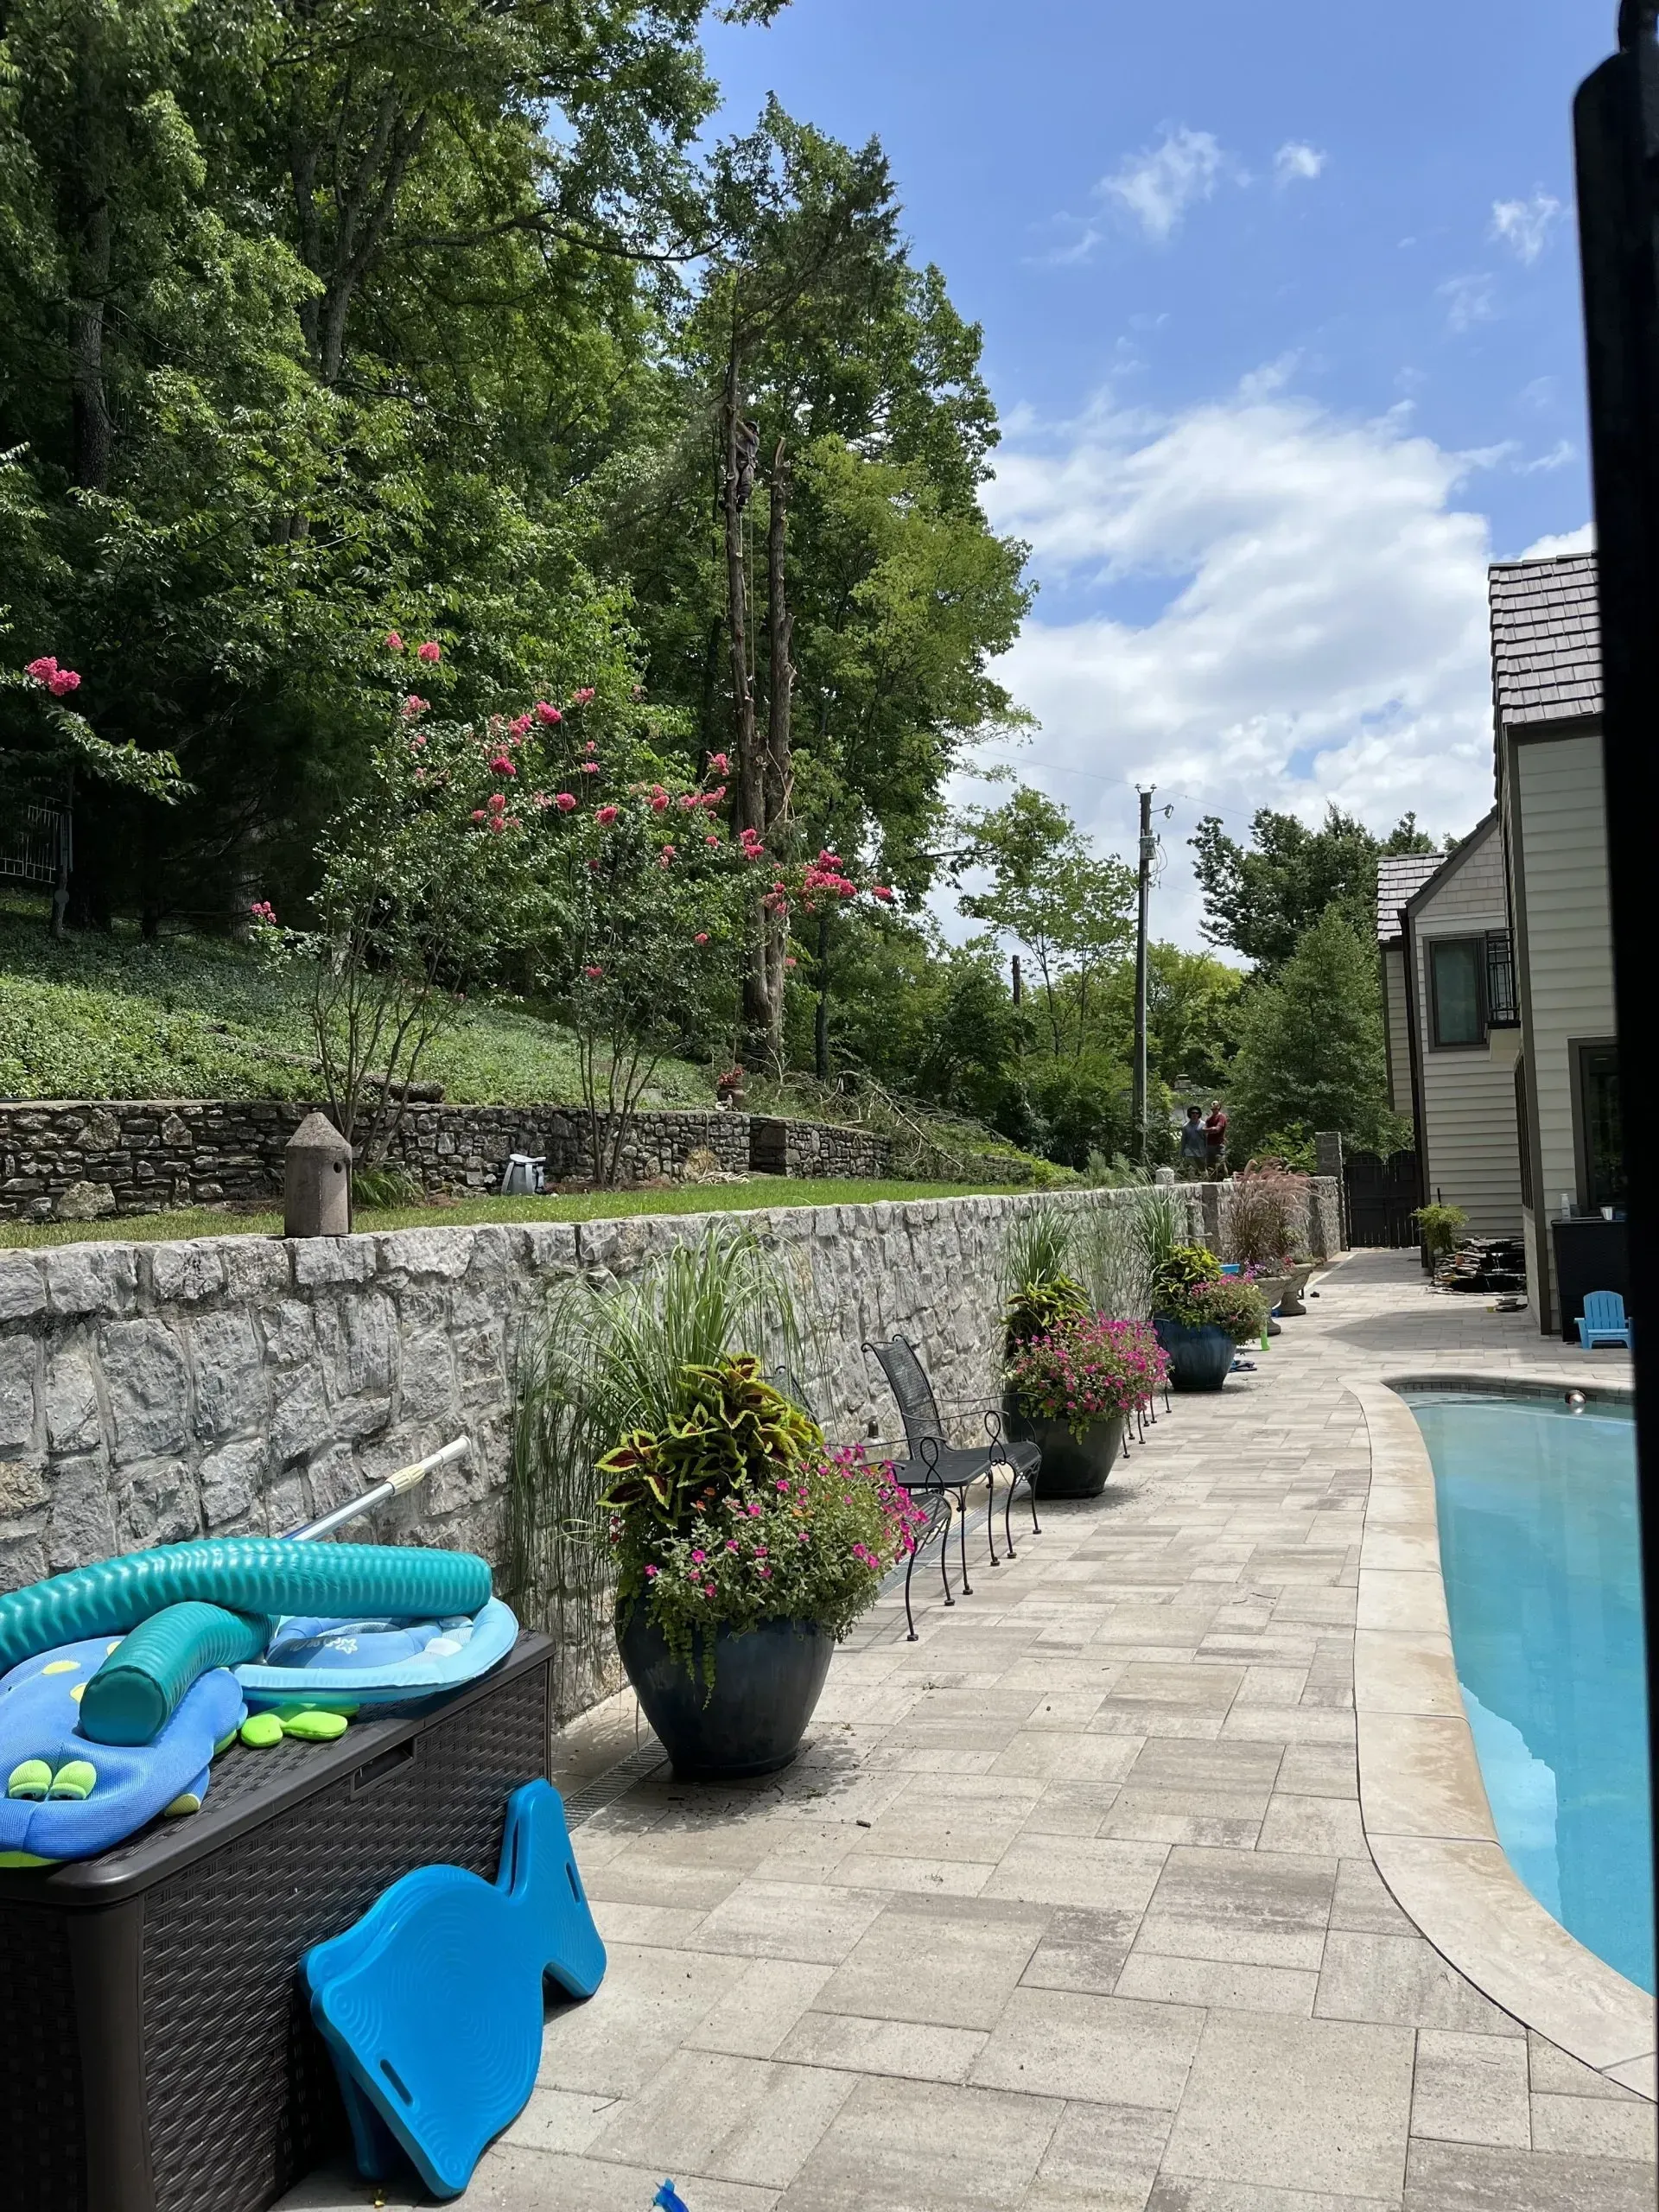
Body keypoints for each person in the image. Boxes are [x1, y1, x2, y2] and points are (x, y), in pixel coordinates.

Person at [1179, 1104, 1209, 1178]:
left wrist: (1208, 1151)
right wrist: (1181, 1152)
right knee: (1191, 1170)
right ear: (1190, 1114)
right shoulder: (1186, 1126)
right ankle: (1191, 1183)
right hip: (1189, 1152)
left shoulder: (1203, 1125)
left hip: (1201, 1152)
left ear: (1199, 1115)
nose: (1195, 1114)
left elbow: (1207, 1139)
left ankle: (1204, 1182)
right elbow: (1183, 1141)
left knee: (1203, 1171)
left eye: (1197, 1113)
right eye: (1193, 1113)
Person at [1205, 1101, 1229, 1177]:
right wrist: (1210, 1129)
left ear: (1219, 1108)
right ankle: (1212, 1179)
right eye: (1212, 1109)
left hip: (1219, 1144)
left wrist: (1208, 1130)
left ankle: (1226, 1178)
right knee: (1210, 1164)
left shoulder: (1221, 1117)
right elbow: (1204, 1130)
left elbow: (1217, 1129)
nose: (1214, 1110)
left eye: (1215, 1109)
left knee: (1221, 1163)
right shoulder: (1209, 1119)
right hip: (1209, 1144)